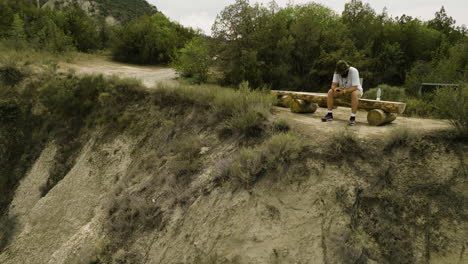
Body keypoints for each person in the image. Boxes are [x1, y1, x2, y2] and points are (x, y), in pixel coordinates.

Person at [321, 60, 363, 126]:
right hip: (342, 91)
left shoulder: (354, 71)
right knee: (330, 92)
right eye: (340, 72)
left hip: (355, 90)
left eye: (343, 72)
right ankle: (329, 114)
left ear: (347, 69)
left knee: (354, 93)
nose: (342, 74)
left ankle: (352, 117)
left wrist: (344, 91)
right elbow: (333, 85)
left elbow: (355, 87)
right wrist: (335, 89)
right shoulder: (336, 72)